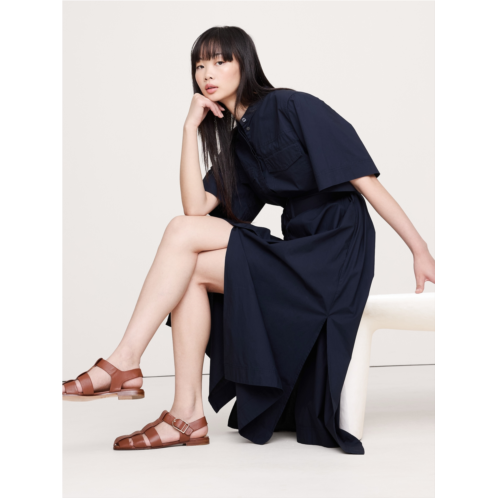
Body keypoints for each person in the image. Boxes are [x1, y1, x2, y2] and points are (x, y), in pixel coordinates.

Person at [62, 26, 435, 455]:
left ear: (245, 63)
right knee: (187, 265)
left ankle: (126, 362)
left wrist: (419, 249)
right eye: (200, 65)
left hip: (335, 251)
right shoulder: (238, 144)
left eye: (220, 61)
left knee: (181, 234)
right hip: (298, 251)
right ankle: (185, 413)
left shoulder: (292, 105)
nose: (208, 73)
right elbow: (196, 208)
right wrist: (188, 129)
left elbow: (365, 181)